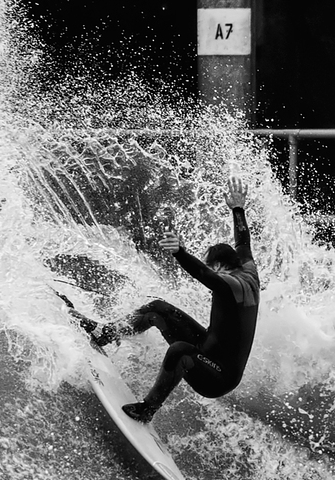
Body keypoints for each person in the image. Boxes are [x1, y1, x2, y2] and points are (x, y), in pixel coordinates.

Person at [69, 178, 260, 423]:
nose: (211, 272)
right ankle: (107, 334)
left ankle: (147, 409)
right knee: (158, 309)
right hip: (208, 348)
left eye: (213, 267)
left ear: (221, 267)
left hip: (218, 377)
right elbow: (243, 242)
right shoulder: (247, 268)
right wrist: (237, 209)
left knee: (179, 352)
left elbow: (204, 274)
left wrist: (180, 252)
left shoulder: (230, 286)